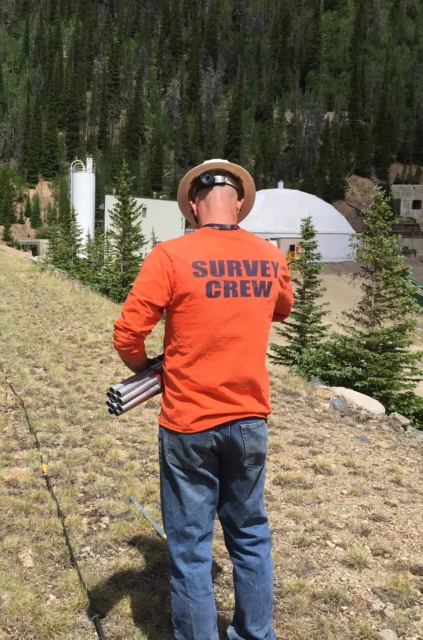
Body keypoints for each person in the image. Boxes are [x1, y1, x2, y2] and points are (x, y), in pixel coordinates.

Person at [112, 159, 293, 640]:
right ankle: (256, 634)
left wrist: (147, 372)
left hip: (188, 422)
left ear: (194, 206)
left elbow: (128, 333)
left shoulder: (170, 256)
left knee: (191, 548)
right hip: (250, 419)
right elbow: (282, 309)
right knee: (250, 534)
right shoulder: (271, 257)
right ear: (238, 204)